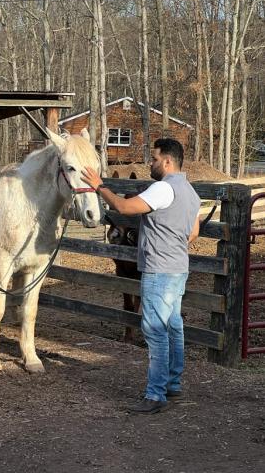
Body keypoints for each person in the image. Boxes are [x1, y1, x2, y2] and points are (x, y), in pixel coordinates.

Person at [81, 138, 200, 414]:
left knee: (155, 331)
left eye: (155, 158)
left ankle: (155, 394)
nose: (151, 163)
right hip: (178, 268)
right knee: (173, 327)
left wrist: (99, 186)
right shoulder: (190, 192)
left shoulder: (163, 188)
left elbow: (124, 208)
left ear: (167, 161)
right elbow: (192, 233)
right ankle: (173, 384)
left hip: (159, 270)